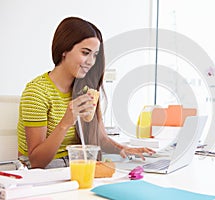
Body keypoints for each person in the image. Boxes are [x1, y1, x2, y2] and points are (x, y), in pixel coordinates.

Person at [17, 16, 155, 169]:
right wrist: (65, 123)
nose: (91, 61)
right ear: (64, 49)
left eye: (95, 55)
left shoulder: (85, 89)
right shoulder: (36, 92)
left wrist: (123, 149)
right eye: (85, 53)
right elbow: (37, 161)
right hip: (44, 170)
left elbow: (100, 138)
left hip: (77, 164)